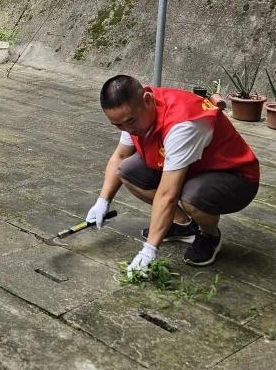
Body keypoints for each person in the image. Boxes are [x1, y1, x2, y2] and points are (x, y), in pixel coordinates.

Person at [86, 75, 260, 276]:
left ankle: (209, 235)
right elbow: (121, 156)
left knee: (192, 197)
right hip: (193, 167)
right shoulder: (132, 113)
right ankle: (183, 225)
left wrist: (149, 251)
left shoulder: (183, 123)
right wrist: (103, 201)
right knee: (127, 170)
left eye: (129, 122)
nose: (128, 130)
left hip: (235, 176)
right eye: (118, 125)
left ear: (147, 100)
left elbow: (168, 194)